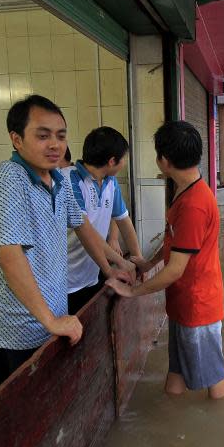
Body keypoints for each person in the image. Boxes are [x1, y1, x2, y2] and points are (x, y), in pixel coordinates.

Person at [0, 95, 132, 390]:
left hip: (49, 321)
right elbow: (10, 254)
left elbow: (83, 226)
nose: (54, 144)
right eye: (42, 135)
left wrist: (109, 271)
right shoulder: (10, 178)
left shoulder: (57, 180)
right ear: (16, 139)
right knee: (16, 415)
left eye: (60, 136)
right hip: (14, 331)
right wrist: (50, 320)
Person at [107, 121, 224, 400]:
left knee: (215, 381)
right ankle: (169, 418)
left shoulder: (194, 205)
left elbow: (175, 270)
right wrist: (148, 264)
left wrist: (133, 291)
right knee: (176, 372)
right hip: (184, 303)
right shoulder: (185, 191)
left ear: (164, 160)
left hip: (198, 306)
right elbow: (174, 242)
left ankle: (218, 432)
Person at [61, 127, 147, 314]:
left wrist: (137, 258)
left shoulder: (110, 182)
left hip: (93, 272)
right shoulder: (69, 180)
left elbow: (124, 221)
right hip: (65, 281)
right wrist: (119, 263)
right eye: (122, 158)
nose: (124, 163)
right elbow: (86, 231)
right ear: (111, 161)